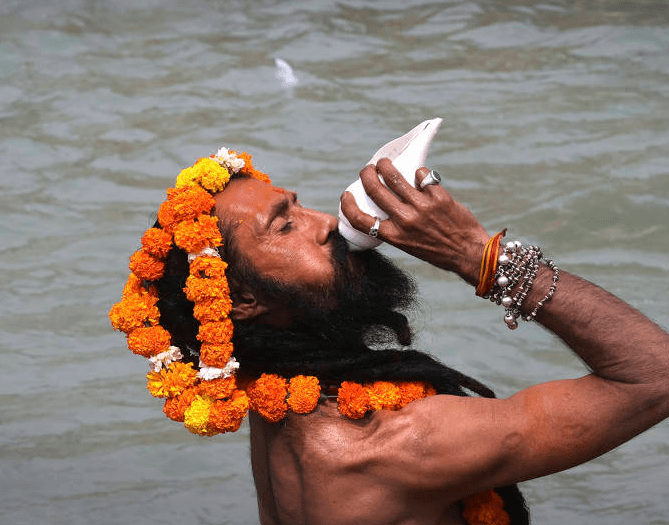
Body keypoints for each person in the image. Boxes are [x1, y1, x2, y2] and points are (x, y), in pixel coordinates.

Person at [109, 149, 669, 525]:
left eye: (298, 204)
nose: (325, 222)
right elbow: (655, 376)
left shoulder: (276, 396)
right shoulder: (389, 444)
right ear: (242, 302)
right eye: (285, 225)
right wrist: (476, 256)